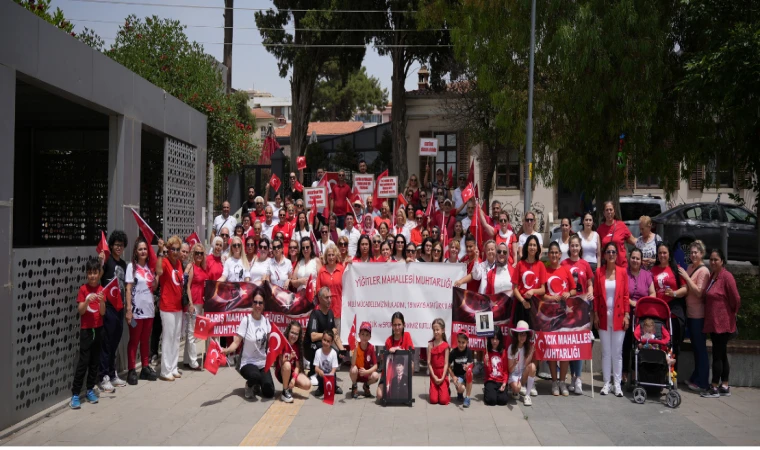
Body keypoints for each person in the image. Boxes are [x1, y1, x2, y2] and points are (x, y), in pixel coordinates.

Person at [222, 286, 275, 399]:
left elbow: (272, 343)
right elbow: (236, 342)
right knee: (255, 376)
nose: (257, 305)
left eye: (260, 303)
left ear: (264, 305)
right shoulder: (246, 320)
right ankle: (250, 384)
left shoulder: (266, 322)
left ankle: (258, 383)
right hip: (248, 363)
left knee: (269, 392)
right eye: (255, 302)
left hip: (262, 363)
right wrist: (227, 350)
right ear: (252, 303)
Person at [700, 248, 741, 398]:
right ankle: (725, 385)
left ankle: (714, 386)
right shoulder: (713, 276)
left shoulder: (727, 277)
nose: (712, 262)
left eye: (716, 259)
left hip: (723, 323)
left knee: (717, 354)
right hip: (714, 322)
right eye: (711, 259)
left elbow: (735, 299)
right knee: (722, 353)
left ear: (722, 261)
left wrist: (731, 312)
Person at [593, 242, 631, 397]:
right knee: (606, 352)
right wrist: (595, 313)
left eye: (613, 252)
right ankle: (606, 383)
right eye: (608, 252)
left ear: (617, 255)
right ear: (604, 254)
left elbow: (626, 296)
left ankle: (617, 385)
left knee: (617, 352)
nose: (610, 254)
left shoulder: (622, 272)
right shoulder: (599, 272)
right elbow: (595, 296)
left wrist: (627, 315)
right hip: (603, 317)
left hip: (619, 317)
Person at [70, 258, 106, 409]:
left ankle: (90, 389)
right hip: (86, 330)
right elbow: (80, 311)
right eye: (90, 273)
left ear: (99, 274)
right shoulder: (83, 289)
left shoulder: (101, 290)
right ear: (87, 274)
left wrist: (102, 301)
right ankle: (75, 394)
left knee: (94, 362)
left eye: (95, 273)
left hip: (98, 329)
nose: (92, 276)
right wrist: (86, 300)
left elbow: (103, 312)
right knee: (83, 362)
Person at [562, 235, 595, 393]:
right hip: (568, 309)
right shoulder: (564, 264)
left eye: (577, 246)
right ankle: (571, 377)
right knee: (569, 343)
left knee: (579, 342)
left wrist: (590, 293)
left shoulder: (585, 264)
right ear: (569, 248)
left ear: (580, 247)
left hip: (582, 308)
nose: (574, 248)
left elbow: (590, 284)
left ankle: (578, 378)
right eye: (572, 246)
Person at [124, 238, 159, 385]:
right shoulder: (132, 267)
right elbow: (128, 288)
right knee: (134, 340)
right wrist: (129, 309)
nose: (143, 251)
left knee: (145, 340)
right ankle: (132, 369)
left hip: (149, 310)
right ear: (136, 252)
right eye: (140, 249)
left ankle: (145, 367)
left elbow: (155, 287)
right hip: (136, 311)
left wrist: (157, 273)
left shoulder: (150, 269)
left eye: (145, 249)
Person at [97, 230, 128, 392]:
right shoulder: (107, 261)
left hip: (119, 308)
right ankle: (103, 377)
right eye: (116, 245)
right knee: (107, 343)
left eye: (121, 245)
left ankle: (112, 373)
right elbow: (99, 276)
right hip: (108, 307)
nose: (119, 248)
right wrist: (101, 262)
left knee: (115, 342)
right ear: (111, 245)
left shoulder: (123, 264)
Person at [679, 240, 710, 392]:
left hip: (699, 315)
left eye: (695, 252)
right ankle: (695, 377)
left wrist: (686, 276)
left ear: (702, 254)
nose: (692, 255)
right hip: (690, 313)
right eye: (691, 252)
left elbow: (699, 292)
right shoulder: (691, 267)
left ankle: (702, 382)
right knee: (695, 348)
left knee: (700, 348)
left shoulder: (703, 271)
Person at [650, 243, 687, 369]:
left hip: (673, 310)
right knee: (660, 341)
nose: (662, 255)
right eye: (660, 253)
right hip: (658, 310)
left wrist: (674, 293)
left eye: (664, 253)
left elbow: (685, 289)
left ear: (669, 254)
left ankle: (672, 373)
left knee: (674, 342)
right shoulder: (653, 270)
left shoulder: (676, 269)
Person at [155, 236, 185, 382]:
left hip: (178, 306)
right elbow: (159, 271)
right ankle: (165, 370)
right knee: (168, 337)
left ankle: (173, 367)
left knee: (176, 338)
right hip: (167, 306)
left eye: (177, 249)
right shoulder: (165, 261)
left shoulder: (179, 263)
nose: (175, 251)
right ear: (168, 249)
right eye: (172, 249)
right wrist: (161, 251)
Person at [304, 287, 344, 387]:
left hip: (324, 345)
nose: (329, 300)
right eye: (327, 297)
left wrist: (342, 350)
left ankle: (326, 372)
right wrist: (328, 333)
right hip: (310, 347)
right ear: (320, 298)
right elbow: (313, 336)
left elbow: (335, 335)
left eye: (330, 297)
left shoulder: (330, 313)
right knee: (319, 346)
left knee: (338, 355)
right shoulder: (315, 313)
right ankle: (313, 373)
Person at [376, 312, 415, 401]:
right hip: (389, 373)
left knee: (412, 365)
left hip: (402, 371)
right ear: (392, 326)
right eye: (395, 325)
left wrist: (398, 351)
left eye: (399, 325)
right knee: (379, 396)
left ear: (404, 325)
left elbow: (410, 354)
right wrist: (389, 352)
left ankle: (406, 386)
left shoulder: (407, 336)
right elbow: (383, 359)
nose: (397, 327)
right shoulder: (388, 340)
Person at [183, 243, 208, 371]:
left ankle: (187, 360)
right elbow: (187, 285)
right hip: (193, 303)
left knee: (191, 332)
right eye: (197, 253)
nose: (199, 255)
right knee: (192, 333)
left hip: (200, 303)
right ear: (193, 254)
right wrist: (191, 303)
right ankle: (193, 362)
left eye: (201, 253)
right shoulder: (191, 266)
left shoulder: (203, 268)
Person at [275, 321, 312, 403]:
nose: (294, 336)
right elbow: (281, 362)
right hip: (282, 371)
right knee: (287, 364)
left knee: (307, 385)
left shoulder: (297, 346)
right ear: (288, 332)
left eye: (296, 334)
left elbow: (298, 366)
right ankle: (285, 392)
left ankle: (289, 386)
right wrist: (290, 356)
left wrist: (294, 379)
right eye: (292, 332)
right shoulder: (282, 343)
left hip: (292, 372)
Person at [514, 235, 546, 327]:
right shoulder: (520, 264)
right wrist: (523, 301)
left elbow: (543, 290)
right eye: (530, 245)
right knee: (522, 334)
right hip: (522, 304)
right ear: (526, 247)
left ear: (537, 248)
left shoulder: (541, 265)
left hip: (536, 305)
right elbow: (515, 289)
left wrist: (533, 291)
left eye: (534, 245)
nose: (532, 247)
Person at [597, 201, 637, 268]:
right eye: (607, 210)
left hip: (622, 266)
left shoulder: (621, 225)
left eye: (611, 209)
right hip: (607, 267)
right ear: (604, 213)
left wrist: (647, 240)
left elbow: (633, 241)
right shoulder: (600, 229)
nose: (609, 212)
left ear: (614, 212)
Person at [507, 321, 537, 406]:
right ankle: (514, 390)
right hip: (513, 373)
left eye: (524, 335)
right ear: (517, 335)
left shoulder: (527, 347)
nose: (522, 337)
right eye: (520, 334)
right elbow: (510, 369)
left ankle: (527, 395)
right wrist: (514, 363)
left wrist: (531, 352)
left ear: (527, 336)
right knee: (517, 388)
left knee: (532, 366)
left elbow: (526, 364)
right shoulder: (511, 348)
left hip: (523, 374)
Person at [317, 243, 345, 331]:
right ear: (326, 257)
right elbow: (318, 290)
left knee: (337, 339)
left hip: (338, 310)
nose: (331, 257)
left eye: (333, 255)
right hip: (325, 311)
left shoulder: (342, 270)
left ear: (336, 256)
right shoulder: (322, 271)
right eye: (329, 255)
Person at [350, 321, 380, 398]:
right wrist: (355, 350)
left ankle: (366, 386)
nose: (364, 337)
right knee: (353, 369)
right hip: (357, 373)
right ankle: (354, 386)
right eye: (362, 334)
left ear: (370, 337)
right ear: (359, 335)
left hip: (366, 373)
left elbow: (376, 366)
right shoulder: (356, 346)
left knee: (376, 376)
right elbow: (353, 364)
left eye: (367, 335)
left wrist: (367, 371)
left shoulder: (371, 348)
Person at [427, 318, 450, 405]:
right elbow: (429, 362)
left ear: (443, 330)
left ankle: (446, 389)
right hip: (434, 374)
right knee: (433, 400)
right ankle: (434, 390)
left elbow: (446, 364)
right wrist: (434, 377)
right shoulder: (430, 345)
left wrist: (442, 377)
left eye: (437, 329)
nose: (436, 332)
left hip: (442, 374)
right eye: (434, 330)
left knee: (444, 401)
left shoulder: (445, 346)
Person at [483, 327, 509, 406]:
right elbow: (487, 373)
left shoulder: (504, 352)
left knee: (502, 401)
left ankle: (496, 392)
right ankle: (488, 391)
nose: (494, 341)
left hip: (500, 380)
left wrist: (504, 383)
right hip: (491, 380)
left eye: (497, 339)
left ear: (500, 340)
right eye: (493, 339)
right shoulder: (487, 351)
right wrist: (486, 363)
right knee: (491, 401)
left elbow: (505, 370)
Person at [448, 332, 474, 407]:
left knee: (470, 374)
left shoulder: (469, 351)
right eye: (459, 342)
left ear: (467, 342)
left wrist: (468, 367)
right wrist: (453, 376)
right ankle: (460, 393)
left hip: (465, 374)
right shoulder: (453, 352)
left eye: (463, 342)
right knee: (461, 388)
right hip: (458, 376)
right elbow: (448, 366)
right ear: (457, 341)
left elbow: (470, 364)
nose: (461, 344)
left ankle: (468, 397)